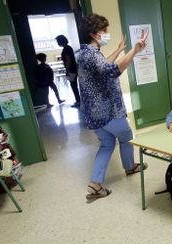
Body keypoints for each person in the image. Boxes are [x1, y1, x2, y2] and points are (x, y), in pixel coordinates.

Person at [77, 14, 148, 201]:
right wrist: (134, 50)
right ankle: (130, 167)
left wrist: (118, 50)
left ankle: (95, 184)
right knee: (127, 137)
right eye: (105, 31)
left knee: (107, 144)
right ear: (93, 34)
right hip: (107, 112)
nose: (108, 33)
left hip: (94, 114)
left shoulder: (85, 53)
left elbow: (103, 66)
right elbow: (112, 71)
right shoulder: (91, 54)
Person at [56, 35, 81, 108]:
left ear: (60, 41)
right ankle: (78, 100)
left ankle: (78, 101)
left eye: (58, 41)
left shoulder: (66, 49)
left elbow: (68, 61)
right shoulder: (68, 47)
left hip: (71, 70)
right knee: (74, 85)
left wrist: (67, 71)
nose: (57, 43)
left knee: (73, 85)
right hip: (73, 69)